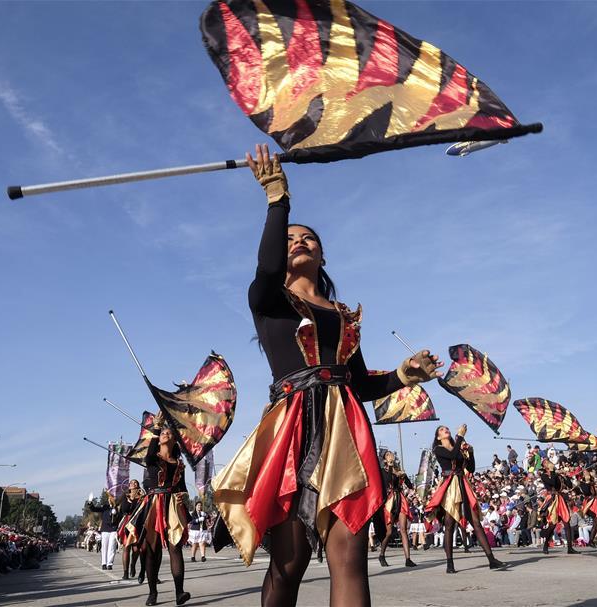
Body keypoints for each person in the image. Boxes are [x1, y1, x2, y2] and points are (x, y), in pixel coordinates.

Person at [212, 145, 442, 607]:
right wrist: (278, 199)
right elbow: (269, 265)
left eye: (309, 240)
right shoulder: (267, 300)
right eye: (291, 237)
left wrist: (404, 374)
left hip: (345, 433)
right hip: (292, 429)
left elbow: (360, 384)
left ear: (323, 255)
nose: (299, 242)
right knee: (288, 564)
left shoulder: (342, 315)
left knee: (350, 559)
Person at [425, 425, 506, 573]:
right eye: (442, 430)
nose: (445, 430)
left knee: (475, 521)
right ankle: (450, 563)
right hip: (450, 485)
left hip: (463, 483)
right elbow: (452, 456)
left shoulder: (459, 448)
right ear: (438, 437)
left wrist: (471, 452)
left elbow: (471, 468)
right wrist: (460, 437)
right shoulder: (438, 449)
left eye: (446, 428)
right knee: (449, 523)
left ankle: (491, 559)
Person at [127, 422, 191, 606]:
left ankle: (179, 592)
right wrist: (156, 428)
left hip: (172, 506)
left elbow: (183, 488)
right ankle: (152, 592)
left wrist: (183, 497)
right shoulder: (152, 459)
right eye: (163, 433)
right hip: (153, 504)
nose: (165, 434)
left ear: (174, 440)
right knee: (152, 551)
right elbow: (149, 452)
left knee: (175, 547)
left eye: (169, 433)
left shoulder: (179, 464)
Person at [377, 451, 416, 568]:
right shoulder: (383, 471)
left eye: (391, 454)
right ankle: (382, 554)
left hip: (400, 499)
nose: (390, 456)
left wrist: (403, 475)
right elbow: (387, 482)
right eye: (388, 455)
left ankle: (408, 559)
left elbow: (410, 485)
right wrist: (390, 468)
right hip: (389, 501)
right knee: (388, 532)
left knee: (403, 529)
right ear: (384, 460)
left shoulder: (399, 470)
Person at [538, 460, 578, 554]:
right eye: (546, 462)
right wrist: (553, 472)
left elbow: (569, 485)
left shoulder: (556, 474)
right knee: (552, 525)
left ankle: (570, 548)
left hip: (560, 499)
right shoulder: (544, 475)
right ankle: (545, 545)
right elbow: (552, 483)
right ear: (544, 466)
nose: (549, 463)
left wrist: (565, 475)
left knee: (567, 523)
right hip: (552, 499)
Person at [117, 479, 145, 582]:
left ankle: (133, 564)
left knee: (136, 549)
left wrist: (137, 499)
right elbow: (124, 510)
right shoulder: (125, 496)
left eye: (135, 482)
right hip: (127, 523)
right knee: (126, 547)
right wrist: (129, 501)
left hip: (137, 522)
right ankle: (125, 572)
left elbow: (141, 509)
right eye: (132, 483)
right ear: (129, 486)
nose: (133, 484)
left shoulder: (142, 497)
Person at [87, 493, 119, 571]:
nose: (110, 500)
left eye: (111, 498)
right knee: (104, 546)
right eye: (109, 498)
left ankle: (110, 564)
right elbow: (94, 509)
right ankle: (104, 563)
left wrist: (116, 512)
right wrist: (90, 502)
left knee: (112, 547)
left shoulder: (117, 507)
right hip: (105, 529)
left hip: (114, 529)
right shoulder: (105, 507)